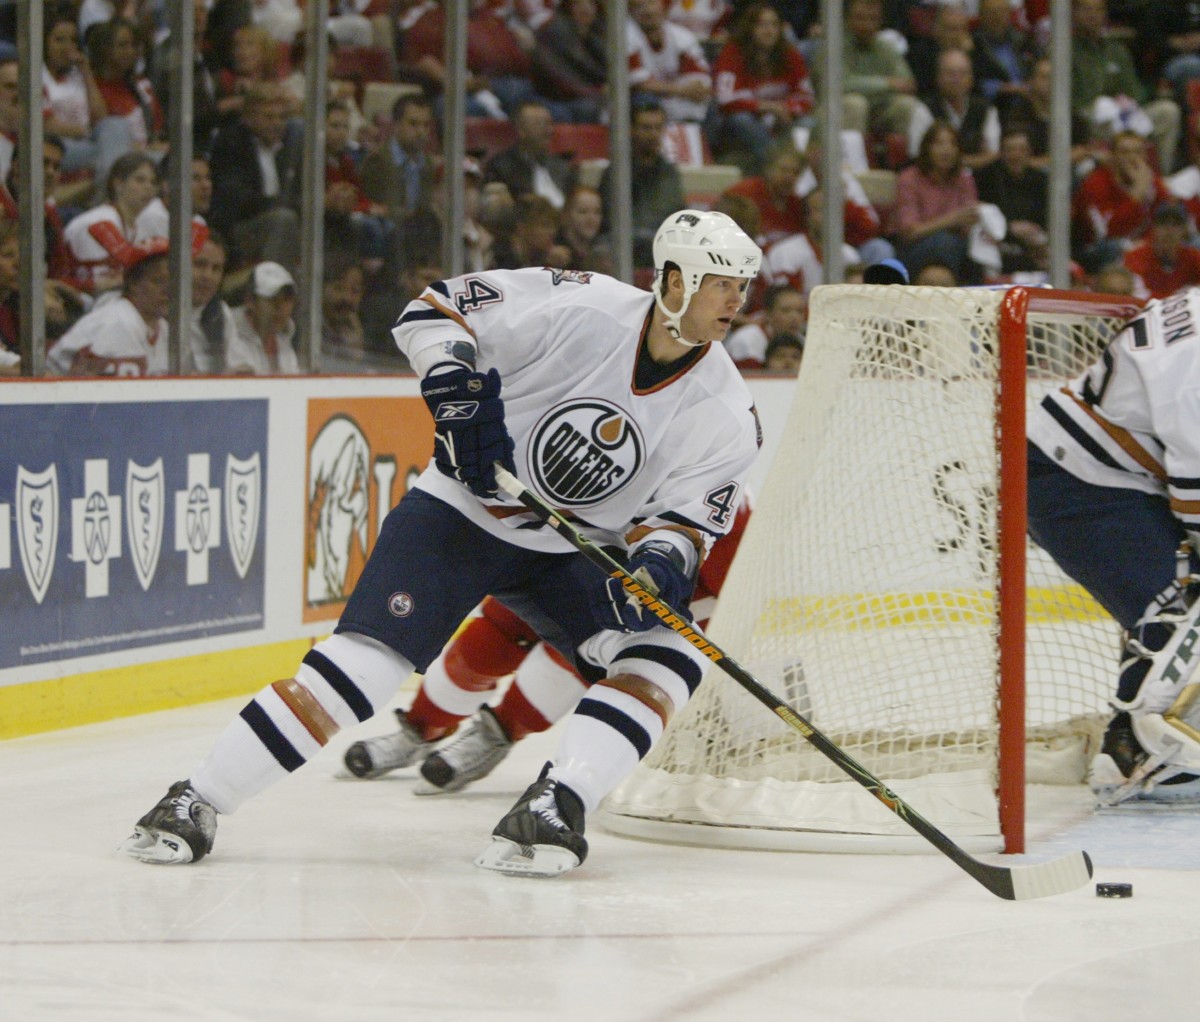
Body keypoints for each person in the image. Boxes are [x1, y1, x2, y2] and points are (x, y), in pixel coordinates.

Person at [121, 209, 764, 875]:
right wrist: (453, 388)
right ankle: (195, 799)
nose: (736, 302)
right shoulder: (581, 305)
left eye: (744, 287)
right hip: (461, 511)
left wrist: (659, 564)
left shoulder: (726, 411)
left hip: (575, 548)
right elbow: (434, 312)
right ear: (676, 279)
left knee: (665, 655)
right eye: (723, 284)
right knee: (361, 669)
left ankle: (554, 806)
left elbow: (688, 523)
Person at [342, 498, 753, 791]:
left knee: (565, 663)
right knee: (491, 640)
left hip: (638, 609)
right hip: (565, 561)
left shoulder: (728, 508)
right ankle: (420, 727)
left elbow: (722, 600)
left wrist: (649, 611)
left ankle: (497, 733)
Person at [1027, 291, 1200, 805]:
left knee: (1174, 614)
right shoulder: (1193, 373)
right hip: (1076, 479)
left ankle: (1146, 744)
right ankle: (1134, 757)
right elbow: (1194, 498)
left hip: (1113, 472)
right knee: (1178, 620)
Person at [1072, 0, 1181, 175]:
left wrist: (1127, 106)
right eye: (1086, 9)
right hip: (1088, 119)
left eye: (1098, 10)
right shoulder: (1067, 51)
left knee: (1168, 111)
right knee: (1102, 109)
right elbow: (1069, 102)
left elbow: (1133, 92)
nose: (1093, 15)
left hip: (1124, 115)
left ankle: (1160, 178)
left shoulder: (1117, 50)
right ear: (1074, 14)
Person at [207, 81, 304, 271]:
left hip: (279, 218)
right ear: (248, 118)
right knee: (284, 220)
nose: (277, 124)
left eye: (282, 117)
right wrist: (285, 204)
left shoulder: (288, 148)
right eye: (269, 117)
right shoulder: (231, 143)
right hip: (239, 230)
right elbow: (239, 201)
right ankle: (270, 288)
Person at [710, 1, 815, 175]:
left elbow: (807, 97)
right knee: (741, 119)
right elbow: (725, 100)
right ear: (749, 28)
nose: (769, 31)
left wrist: (786, 109)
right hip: (740, 124)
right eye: (762, 25)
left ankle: (802, 171)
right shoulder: (732, 52)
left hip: (779, 119)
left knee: (808, 123)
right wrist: (766, 107)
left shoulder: (790, 54)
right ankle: (777, 168)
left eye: (774, 25)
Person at [47, 236, 170, 376]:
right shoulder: (117, 323)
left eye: (173, 281)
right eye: (158, 281)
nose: (168, 290)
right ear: (133, 283)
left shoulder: (161, 327)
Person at [41, 5, 132, 193]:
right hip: (56, 145)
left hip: (87, 142)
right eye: (59, 40)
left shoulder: (77, 74)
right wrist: (84, 132)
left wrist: (86, 72)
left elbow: (101, 119)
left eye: (73, 40)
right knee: (114, 153)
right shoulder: (38, 75)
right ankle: (113, 193)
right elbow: (47, 125)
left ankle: (106, 191)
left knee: (116, 125)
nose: (67, 47)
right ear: (44, 42)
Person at [890, 120, 983, 283]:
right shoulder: (909, 178)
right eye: (939, 144)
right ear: (927, 148)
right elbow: (910, 232)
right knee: (943, 241)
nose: (946, 150)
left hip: (956, 248)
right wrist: (952, 219)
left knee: (973, 251)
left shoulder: (964, 178)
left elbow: (969, 223)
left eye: (952, 144)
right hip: (915, 248)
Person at [598, 96, 685, 269]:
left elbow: (676, 213)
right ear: (631, 130)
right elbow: (610, 219)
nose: (653, 134)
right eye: (646, 128)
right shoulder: (617, 171)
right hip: (623, 242)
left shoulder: (670, 173)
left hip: (660, 243)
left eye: (657, 128)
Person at [1071, 130, 1172, 274]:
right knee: (1116, 247)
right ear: (1112, 156)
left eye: (1138, 152)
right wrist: (1136, 195)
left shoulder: (1152, 182)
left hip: (1144, 246)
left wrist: (1149, 244)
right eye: (1125, 152)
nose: (1132, 158)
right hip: (1097, 251)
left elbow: (1169, 220)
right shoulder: (1095, 183)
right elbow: (1105, 233)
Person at [62, 150, 160, 294]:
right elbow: (101, 283)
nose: (149, 188)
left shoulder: (133, 225)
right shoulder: (101, 221)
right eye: (140, 180)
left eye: (153, 182)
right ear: (118, 183)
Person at [973, 128, 1049, 274]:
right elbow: (981, 216)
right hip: (997, 243)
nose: (1016, 155)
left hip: (1035, 244)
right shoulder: (986, 178)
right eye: (1010, 150)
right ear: (1001, 153)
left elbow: (1047, 218)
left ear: (1029, 153)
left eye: (1022, 150)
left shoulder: (1041, 181)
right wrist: (1010, 228)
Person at [359, 92, 439, 223]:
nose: (421, 132)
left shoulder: (428, 164)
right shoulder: (378, 160)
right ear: (396, 124)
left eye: (426, 125)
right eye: (413, 124)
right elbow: (378, 210)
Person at [484, 99, 576, 211]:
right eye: (540, 124)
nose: (549, 130)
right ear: (521, 130)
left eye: (549, 123)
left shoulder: (562, 167)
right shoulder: (502, 167)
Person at [227, 260, 301, 374]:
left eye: (287, 299)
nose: (280, 308)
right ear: (249, 301)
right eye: (272, 300)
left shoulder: (286, 338)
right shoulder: (226, 334)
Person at [1123, 202, 1200, 299]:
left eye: (1175, 225)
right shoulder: (1136, 256)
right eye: (1163, 223)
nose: (1169, 231)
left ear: (1184, 230)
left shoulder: (1193, 257)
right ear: (1153, 228)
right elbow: (1138, 295)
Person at [725, 282, 806, 369]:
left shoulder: (803, 342)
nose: (794, 318)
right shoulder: (746, 340)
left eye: (800, 311)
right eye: (786, 310)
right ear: (768, 314)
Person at [556, 185, 613, 275]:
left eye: (597, 212)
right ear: (566, 215)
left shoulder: (601, 253)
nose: (591, 219)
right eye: (583, 211)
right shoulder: (556, 257)